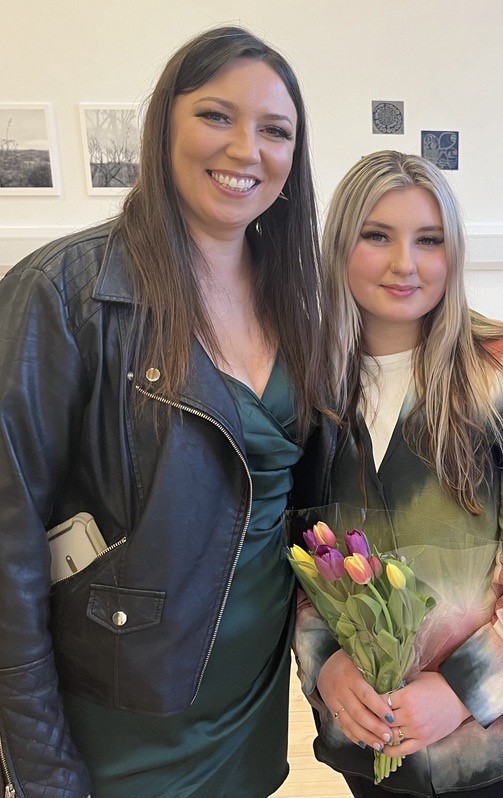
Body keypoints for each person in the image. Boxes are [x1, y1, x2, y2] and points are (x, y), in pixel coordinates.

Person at [0, 26, 329, 798]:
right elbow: (7, 549)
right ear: (163, 127)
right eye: (216, 115)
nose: (246, 149)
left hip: (250, 712)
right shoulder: (63, 293)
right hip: (119, 724)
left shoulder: (296, 296)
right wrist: (43, 767)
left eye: (275, 130)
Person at [292, 150, 503, 798]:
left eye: (428, 240)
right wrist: (328, 667)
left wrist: (460, 692)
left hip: (497, 738)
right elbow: (303, 556)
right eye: (378, 236)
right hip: (368, 733)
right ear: (339, 246)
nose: (405, 263)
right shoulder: (309, 388)